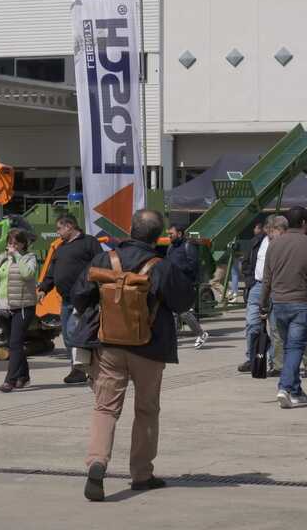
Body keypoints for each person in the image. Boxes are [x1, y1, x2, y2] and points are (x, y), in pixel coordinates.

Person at [73, 209, 194, 501]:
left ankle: (97, 462)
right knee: (146, 411)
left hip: (109, 345)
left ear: (130, 229)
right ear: (157, 236)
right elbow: (183, 302)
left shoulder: (104, 260)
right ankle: (141, 474)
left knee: (105, 408)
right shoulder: (161, 266)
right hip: (150, 347)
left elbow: (78, 295)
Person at [260, 205, 307, 409]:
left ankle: (295, 390)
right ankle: (284, 387)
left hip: (278, 303)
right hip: (301, 302)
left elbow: (267, 279)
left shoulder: (273, 244)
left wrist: (263, 304)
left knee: (289, 347)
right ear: (303, 222)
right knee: (295, 347)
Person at [37, 214, 102, 384]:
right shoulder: (61, 247)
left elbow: (101, 265)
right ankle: (77, 369)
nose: (57, 232)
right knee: (67, 336)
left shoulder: (89, 242)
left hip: (84, 299)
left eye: (59, 228)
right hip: (66, 300)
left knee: (78, 334)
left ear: (69, 226)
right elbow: (52, 271)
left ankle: (87, 368)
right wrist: (43, 288)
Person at [0, 228, 38, 392]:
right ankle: (23, 376)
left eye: (16, 243)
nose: (12, 246)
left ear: (23, 244)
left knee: (15, 343)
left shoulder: (29, 258)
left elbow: (27, 274)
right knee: (13, 344)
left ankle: (10, 380)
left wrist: (17, 256)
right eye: (10, 243)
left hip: (22, 306)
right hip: (3, 307)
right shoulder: (2, 259)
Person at [166, 224, 207, 348]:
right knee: (173, 312)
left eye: (171, 234)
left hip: (186, 284)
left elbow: (193, 266)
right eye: (168, 234)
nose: (169, 236)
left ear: (179, 234)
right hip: (174, 283)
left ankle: (201, 334)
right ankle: (172, 340)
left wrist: (177, 269)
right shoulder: (171, 247)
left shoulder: (188, 246)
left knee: (183, 312)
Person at [239, 216, 269, 373]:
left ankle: (274, 362)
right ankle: (252, 358)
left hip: (277, 287)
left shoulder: (282, 243)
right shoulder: (256, 242)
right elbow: (246, 263)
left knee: (278, 328)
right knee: (252, 324)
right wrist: (250, 282)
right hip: (257, 286)